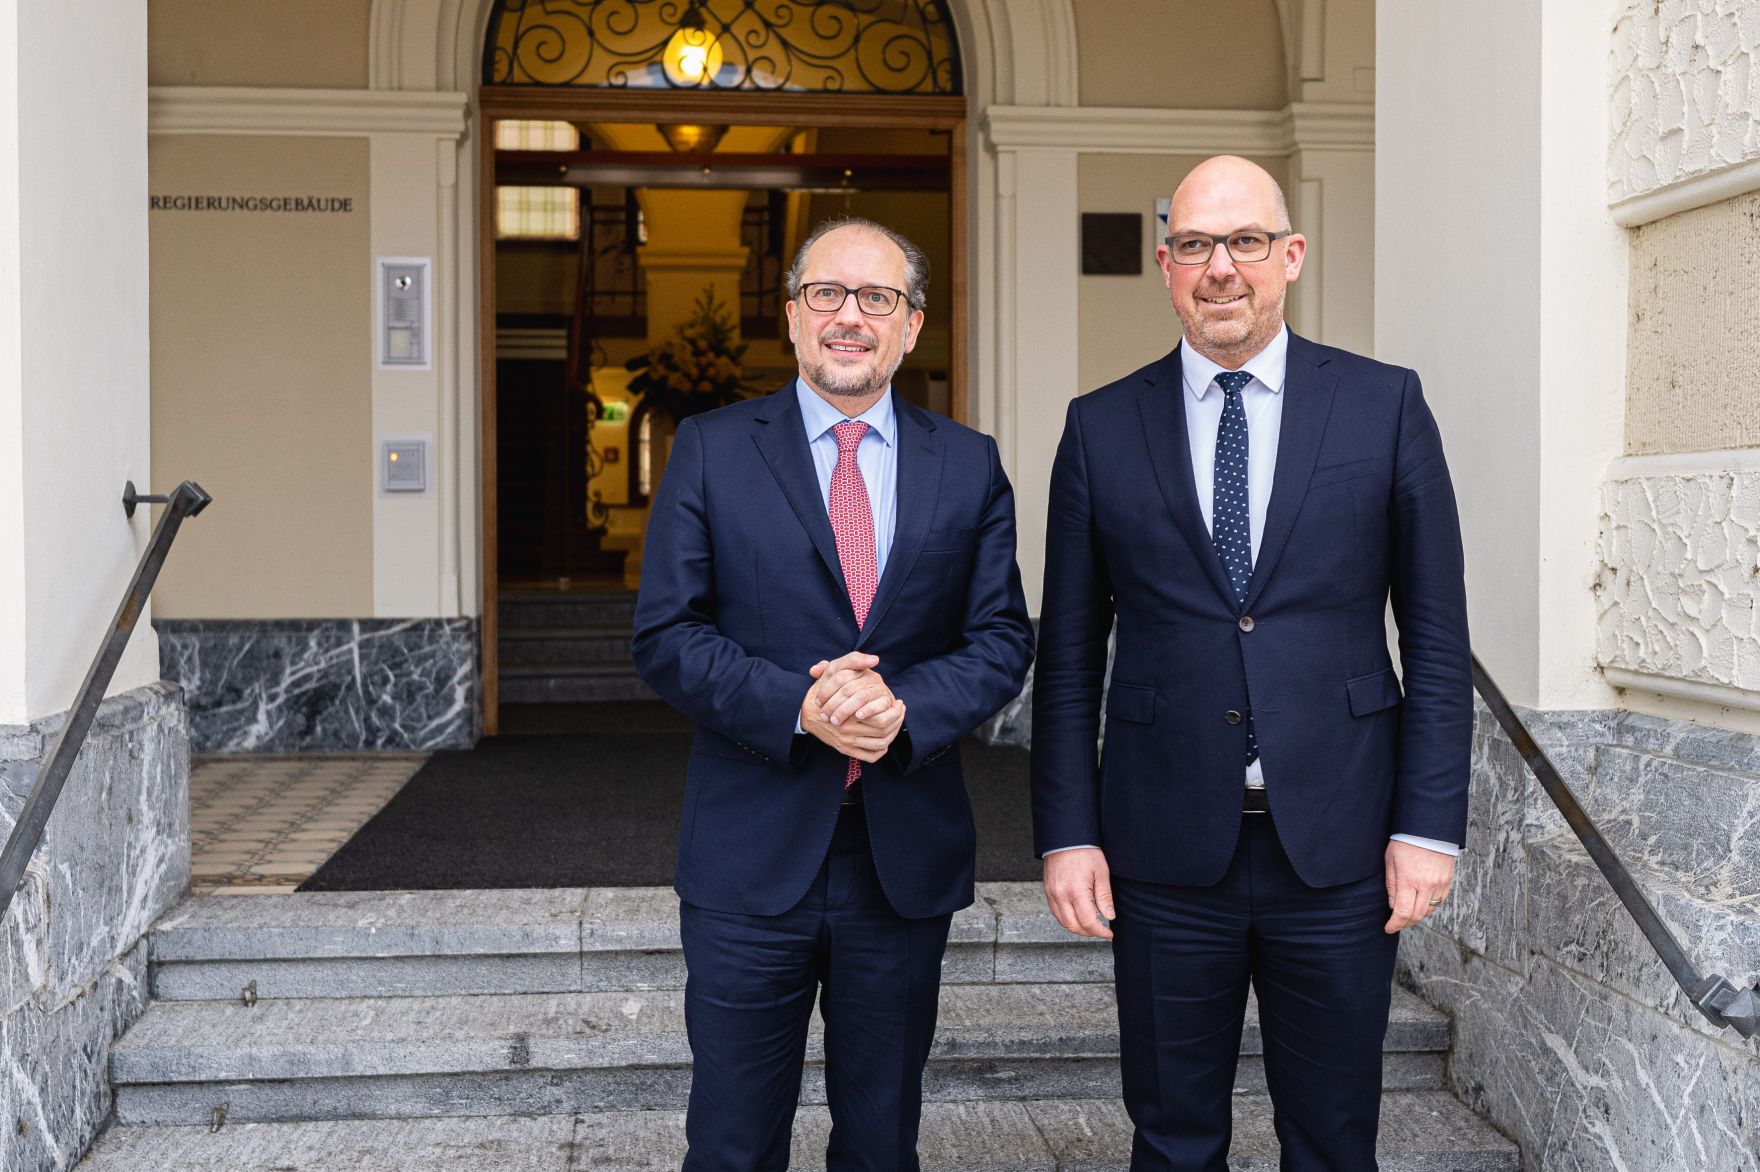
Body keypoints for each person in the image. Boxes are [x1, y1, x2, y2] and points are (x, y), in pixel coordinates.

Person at [1030, 155, 1472, 1169]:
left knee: (1331, 1134)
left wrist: (1426, 825)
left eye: (1242, 242)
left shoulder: (1382, 405)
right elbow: (1065, 659)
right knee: (1172, 1133)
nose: (1217, 267)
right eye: (1193, 244)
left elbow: (1437, 641)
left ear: (1290, 256)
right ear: (1164, 263)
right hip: (1160, 850)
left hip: (1344, 848)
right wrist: (1065, 832)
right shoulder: (1098, 426)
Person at [632, 217, 1034, 1170]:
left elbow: (1001, 636)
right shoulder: (713, 449)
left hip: (901, 859)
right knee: (731, 1141)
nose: (849, 317)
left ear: (912, 326)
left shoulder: (967, 464)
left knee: (883, 1140)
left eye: (877, 299)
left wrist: (906, 712)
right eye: (827, 294)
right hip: (749, 856)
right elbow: (666, 634)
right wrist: (798, 708)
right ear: (791, 315)